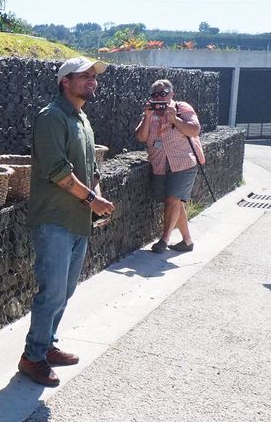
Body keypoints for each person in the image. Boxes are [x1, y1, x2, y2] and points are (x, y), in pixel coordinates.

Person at [19, 57, 116, 387]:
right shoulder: (51, 118)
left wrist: (96, 202)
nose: (92, 80)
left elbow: (91, 169)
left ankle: (47, 345)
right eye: (85, 76)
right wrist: (93, 200)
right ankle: (32, 357)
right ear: (65, 81)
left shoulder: (82, 119)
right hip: (54, 220)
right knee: (52, 292)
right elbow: (58, 171)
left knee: (67, 290)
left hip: (77, 220)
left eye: (94, 76)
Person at [134, 79, 204, 253]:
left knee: (173, 199)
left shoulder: (182, 108)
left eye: (163, 93)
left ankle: (164, 239)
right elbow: (141, 137)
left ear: (171, 94)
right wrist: (148, 117)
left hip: (183, 163)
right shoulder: (150, 114)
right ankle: (187, 241)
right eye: (155, 94)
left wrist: (175, 119)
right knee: (175, 202)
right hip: (160, 164)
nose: (159, 97)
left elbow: (194, 130)